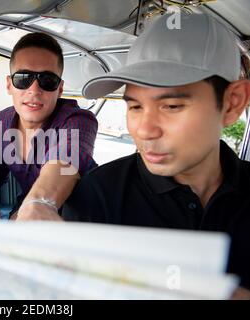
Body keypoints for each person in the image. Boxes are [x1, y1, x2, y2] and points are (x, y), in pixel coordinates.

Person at [62, 13, 250, 292]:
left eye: (172, 106)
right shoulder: (98, 196)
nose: (145, 130)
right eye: (135, 107)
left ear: (232, 103)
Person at [0, 32, 98, 221]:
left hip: (80, 217)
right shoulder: (2, 121)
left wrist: (38, 204)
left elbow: (63, 163)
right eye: (23, 78)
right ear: (9, 84)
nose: (34, 90)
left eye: (47, 80)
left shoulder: (78, 121)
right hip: (24, 207)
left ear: (60, 89)